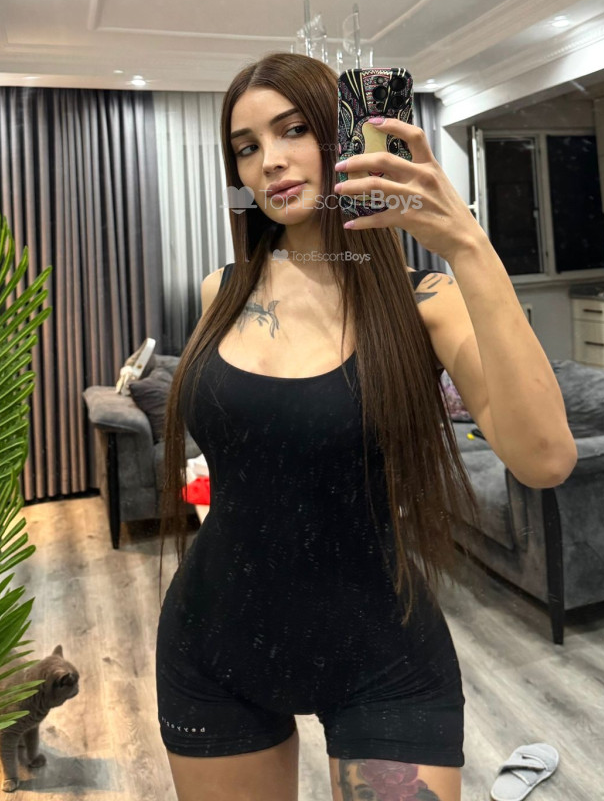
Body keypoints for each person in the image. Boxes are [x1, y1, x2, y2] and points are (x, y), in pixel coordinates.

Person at [154, 53, 577, 801]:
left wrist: (468, 244)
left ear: (344, 137)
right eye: (247, 146)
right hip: (213, 641)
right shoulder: (224, 289)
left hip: (383, 653)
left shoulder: (427, 302)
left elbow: (544, 459)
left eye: (293, 130)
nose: (269, 161)